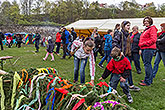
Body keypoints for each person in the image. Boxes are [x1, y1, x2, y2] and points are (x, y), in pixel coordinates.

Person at [112, 21, 140, 91]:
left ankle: (130, 85)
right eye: (127, 25)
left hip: (127, 54)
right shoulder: (120, 33)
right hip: (122, 55)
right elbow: (114, 42)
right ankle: (113, 85)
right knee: (117, 70)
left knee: (127, 70)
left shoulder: (128, 34)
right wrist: (119, 51)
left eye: (129, 25)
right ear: (123, 26)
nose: (129, 27)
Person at [138, 16, 158, 86]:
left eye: (147, 21)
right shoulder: (146, 29)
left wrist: (143, 44)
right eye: (145, 21)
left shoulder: (152, 29)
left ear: (150, 21)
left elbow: (153, 39)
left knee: (147, 64)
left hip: (148, 48)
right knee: (147, 64)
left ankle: (147, 81)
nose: (146, 22)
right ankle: (148, 79)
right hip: (145, 48)